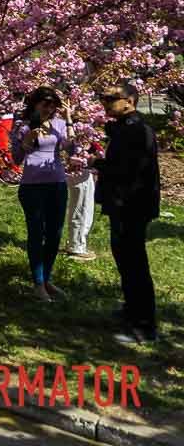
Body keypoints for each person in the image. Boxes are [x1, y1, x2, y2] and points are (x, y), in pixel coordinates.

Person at [95, 81, 161, 344]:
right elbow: (112, 133)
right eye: (104, 98)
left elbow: (127, 170)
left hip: (132, 206)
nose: (106, 102)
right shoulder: (126, 127)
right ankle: (131, 309)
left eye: (112, 98)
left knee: (134, 263)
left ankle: (145, 326)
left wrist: (97, 163)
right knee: (124, 259)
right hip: (122, 204)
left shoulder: (138, 131)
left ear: (130, 100)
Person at [11, 86, 76, 303]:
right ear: (35, 104)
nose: (49, 108)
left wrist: (68, 120)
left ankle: (46, 279)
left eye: (53, 104)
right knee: (36, 234)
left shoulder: (58, 124)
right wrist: (27, 138)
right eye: (45, 103)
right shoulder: (22, 125)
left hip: (57, 183)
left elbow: (72, 150)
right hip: (32, 187)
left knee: (55, 234)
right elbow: (17, 158)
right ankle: (38, 283)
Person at [64, 141, 101, 261]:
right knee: (81, 208)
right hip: (80, 171)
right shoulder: (76, 134)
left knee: (83, 206)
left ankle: (75, 243)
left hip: (82, 170)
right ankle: (76, 247)